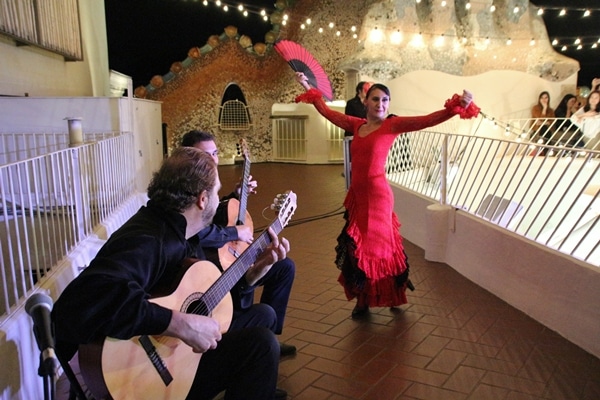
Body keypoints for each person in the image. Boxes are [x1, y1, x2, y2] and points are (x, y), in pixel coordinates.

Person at [51, 147, 290, 400]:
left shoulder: (179, 231)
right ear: (202, 199)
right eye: (217, 191)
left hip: (170, 353)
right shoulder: (148, 239)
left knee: (263, 316)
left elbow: (202, 294)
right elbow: (74, 309)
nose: (220, 197)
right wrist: (180, 324)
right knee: (261, 346)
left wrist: (255, 271)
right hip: (143, 377)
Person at [294, 72, 479, 318]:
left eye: (384, 101)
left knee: (376, 249)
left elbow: (426, 120)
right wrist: (308, 86)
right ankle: (372, 297)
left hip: (379, 197)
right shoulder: (356, 124)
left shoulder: (392, 125)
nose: (380, 104)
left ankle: (368, 300)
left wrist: (456, 107)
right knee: (358, 249)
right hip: (358, 198)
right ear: (366, 102)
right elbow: (329, 113)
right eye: (375, 99)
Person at [181, 130, 297, 358]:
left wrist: (233, 195)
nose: (213, 160)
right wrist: (236, 232)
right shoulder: (185, 193)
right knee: (260, 307)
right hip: (211, 269)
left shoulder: (207, 189)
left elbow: (214, 215)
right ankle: (250, 338)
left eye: (215, 153)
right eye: (206, 155)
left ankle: (269, 339)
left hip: (226, 255)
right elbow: (195, 232)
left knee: (285, 267)